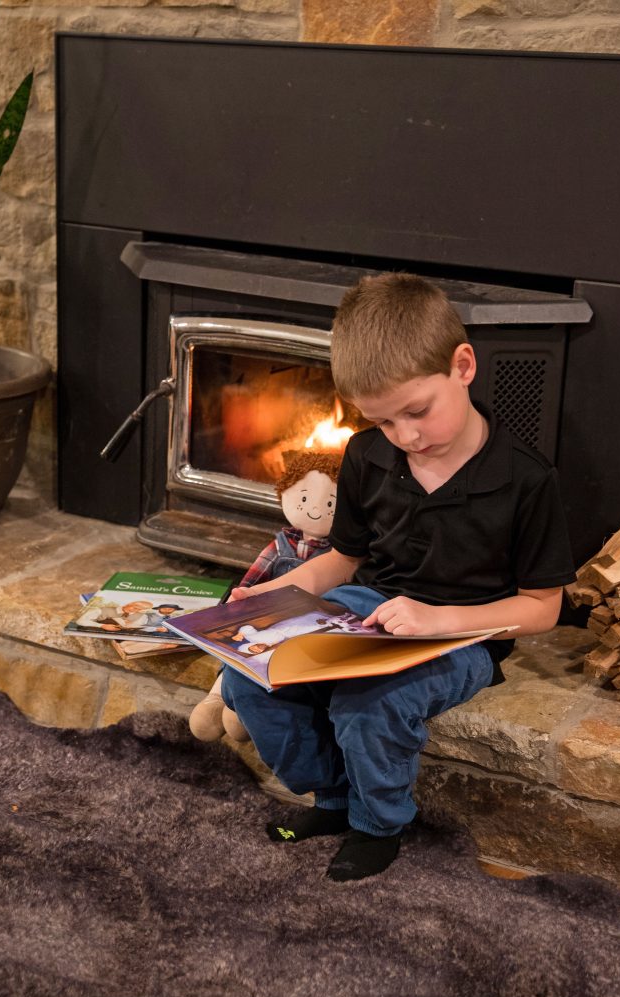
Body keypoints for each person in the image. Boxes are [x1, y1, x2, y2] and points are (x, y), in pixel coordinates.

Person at [220, 272, 577, 883]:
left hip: (465, 633)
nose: (406, 437)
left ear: (463, 366)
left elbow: (543, 608)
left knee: (370, 702)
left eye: (417, 412)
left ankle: (377, 824)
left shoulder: (526, 480)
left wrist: (438, 620)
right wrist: (274, 595)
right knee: (250, 677)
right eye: (385, 422)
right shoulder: (367, 454)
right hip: (365, 605)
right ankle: (330, 800)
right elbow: (344, 560)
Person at [188, 450, 341, 741]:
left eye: (332, 503)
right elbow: (252, 581)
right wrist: (235, 607)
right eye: (305, 499)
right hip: (266, 618)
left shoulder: (342, 557)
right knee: (242, 649)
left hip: (305, 628)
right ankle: (217, 697)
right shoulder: (281, 545)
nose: (316, 511)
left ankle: (241, 707)